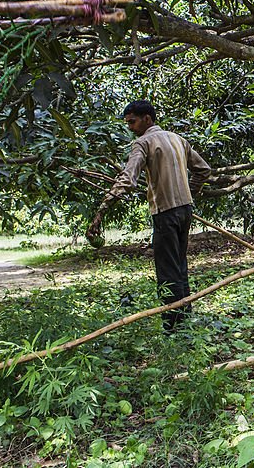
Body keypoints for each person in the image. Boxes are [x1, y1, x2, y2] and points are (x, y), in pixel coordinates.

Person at [87, 100, 211, 332]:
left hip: (165, 213)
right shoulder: (178, 139)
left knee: (167, 271)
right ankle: (185, 320)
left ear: (147, 119)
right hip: (185, 210)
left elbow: (127, 179)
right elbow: (203, 169)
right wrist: (188, 192)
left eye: (132, 122)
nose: (130, 128)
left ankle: (173, 327)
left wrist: (102, 210)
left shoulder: (143, 143)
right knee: (180, 265)